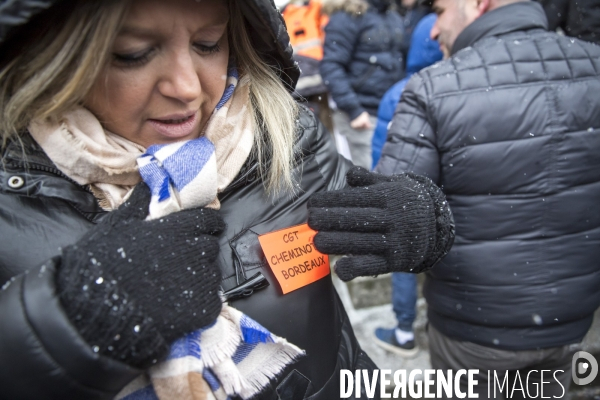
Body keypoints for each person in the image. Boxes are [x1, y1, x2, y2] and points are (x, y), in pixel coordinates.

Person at [0, 0, 455, 399]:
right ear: (56, 58)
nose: (187, 88)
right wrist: (65, 325)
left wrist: (423, 223)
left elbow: (365, 208)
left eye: (207, 44)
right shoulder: (12, 200)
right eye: (133, 54)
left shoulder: (285, 135)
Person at [377, 0, 600, 397]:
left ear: (477, 4)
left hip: (473, 333)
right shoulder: (594, 65)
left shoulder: (434, 87)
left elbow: (390, 223)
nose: (432, 28)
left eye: (442, 10)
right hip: (574, 322)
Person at [371, 13, 442, 359]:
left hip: (406, 200)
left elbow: (380, 156)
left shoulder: (397, 94)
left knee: (402, 260)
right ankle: (437, 322)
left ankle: (403, 332)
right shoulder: (466, 85)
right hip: (450, 202)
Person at [319, 0, 405, 169]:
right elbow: (331, 66)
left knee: (392, 173)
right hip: (362, 115)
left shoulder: (392, 16)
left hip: (391, 112)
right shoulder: (346, 17)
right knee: (371, 178)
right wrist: (354, 110)